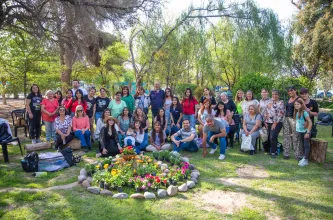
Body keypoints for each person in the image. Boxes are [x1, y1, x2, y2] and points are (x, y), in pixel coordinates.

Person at [263, 90, 285, 158]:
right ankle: (278, 147)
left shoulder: (281, 102)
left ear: (278, 95)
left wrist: (275, 123)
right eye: (273, 94)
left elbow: (281, 114)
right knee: (270, 137)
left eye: (276, 94)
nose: (274, 96)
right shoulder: (269, 102)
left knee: (273, 136)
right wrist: (265, 121)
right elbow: (266, 112)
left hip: (277, 122)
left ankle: (273, 152)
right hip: (268, 122)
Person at [283, 86, 301, 160]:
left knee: (295, 137)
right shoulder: (289, 99)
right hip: (286, 119)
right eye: (289, 91)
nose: (290, 92)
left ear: (295, 90)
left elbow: (302, 108)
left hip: (294, 120)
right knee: (286, 136)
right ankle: (286, 153)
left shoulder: (299, 99)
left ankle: (297, 155)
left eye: (292, 90)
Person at [294, 99, 312, 167]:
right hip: (299, 131)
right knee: (302, 145)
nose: (296, 105)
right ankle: (304, 158)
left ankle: (306, 159)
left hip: (305, 132)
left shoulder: (304, 112)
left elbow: (310, 122)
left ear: (301, 105)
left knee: (306, 145)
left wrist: (308, 132)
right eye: (295, 104)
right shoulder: (296, 112)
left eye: (298, 104)